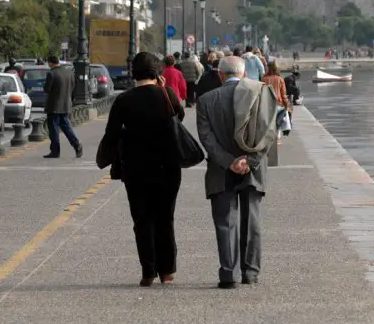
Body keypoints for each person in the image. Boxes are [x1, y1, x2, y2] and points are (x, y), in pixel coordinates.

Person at [98, 52, 185, 287]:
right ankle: (167, 271)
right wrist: (164, 88)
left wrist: (103, 159)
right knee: (165, 218)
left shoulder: (124, 100)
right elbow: (181, 117)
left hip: (136, 169)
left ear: (133, 73)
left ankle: (148, 272)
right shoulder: (167, 94)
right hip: (168, 166)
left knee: (142, 220)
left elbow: (112, 134)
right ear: (157, 73)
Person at [196, 56, 278, 289]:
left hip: (221, 170)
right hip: (253, 170)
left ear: (220, 75)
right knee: (252, 220)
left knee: (225, 222)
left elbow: (207, 139)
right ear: (243, 74)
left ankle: (228, 274)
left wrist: (230, 162)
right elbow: (268, 134)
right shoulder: (261, 93)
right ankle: (250, 272)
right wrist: (250, 161)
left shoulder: (206, 100)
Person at [43, 55, 82, 158]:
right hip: (66, 105)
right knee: (66, 127)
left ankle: (55, 151)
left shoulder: (51, 73)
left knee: (54, 129)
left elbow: (47, 89)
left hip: (53, 106)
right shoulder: (69, 73)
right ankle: (77, 145)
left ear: (50, 63)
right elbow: (73, 88)